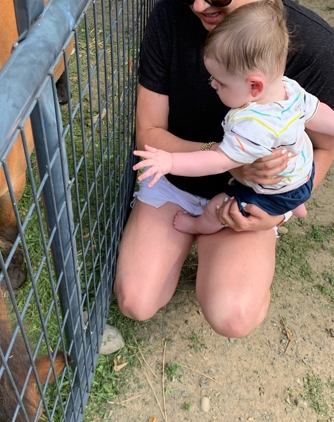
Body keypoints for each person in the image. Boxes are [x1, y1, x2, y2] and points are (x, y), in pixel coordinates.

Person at [114, 0, 334, 338]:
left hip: (254, 198)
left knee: (234, 317)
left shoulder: (314, 45)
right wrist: (225, 157)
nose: (199, 4)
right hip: (179, 183)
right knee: (136, 301)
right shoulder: (170, 16)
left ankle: (232, 259)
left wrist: (280, 211)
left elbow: (325, 144)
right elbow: (151, 134)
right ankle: (197, 239)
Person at [132, 1, 334, 235]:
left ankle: (197, 225)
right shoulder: (291, 91)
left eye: (220, 82)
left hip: (269, 193)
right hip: (302, 178)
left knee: (219, 206)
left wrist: (170, 161)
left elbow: (216, 160)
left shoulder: (252, 126)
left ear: (254, 86)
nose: (213, 84)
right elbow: (321, 115)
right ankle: (295, 205)